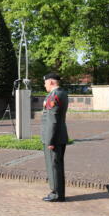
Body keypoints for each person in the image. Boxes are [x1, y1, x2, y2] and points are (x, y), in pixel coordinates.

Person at [41, 73, 69, 202]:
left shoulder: (54, 95)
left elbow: (52, 120)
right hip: (59, 136)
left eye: (45, 82)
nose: (44, 85)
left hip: (54, 138)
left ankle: (56, 194)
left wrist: (50, 140)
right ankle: (59, 193)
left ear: (51, 82)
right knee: (57, 166)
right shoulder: (62, 93)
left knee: (53, 166)